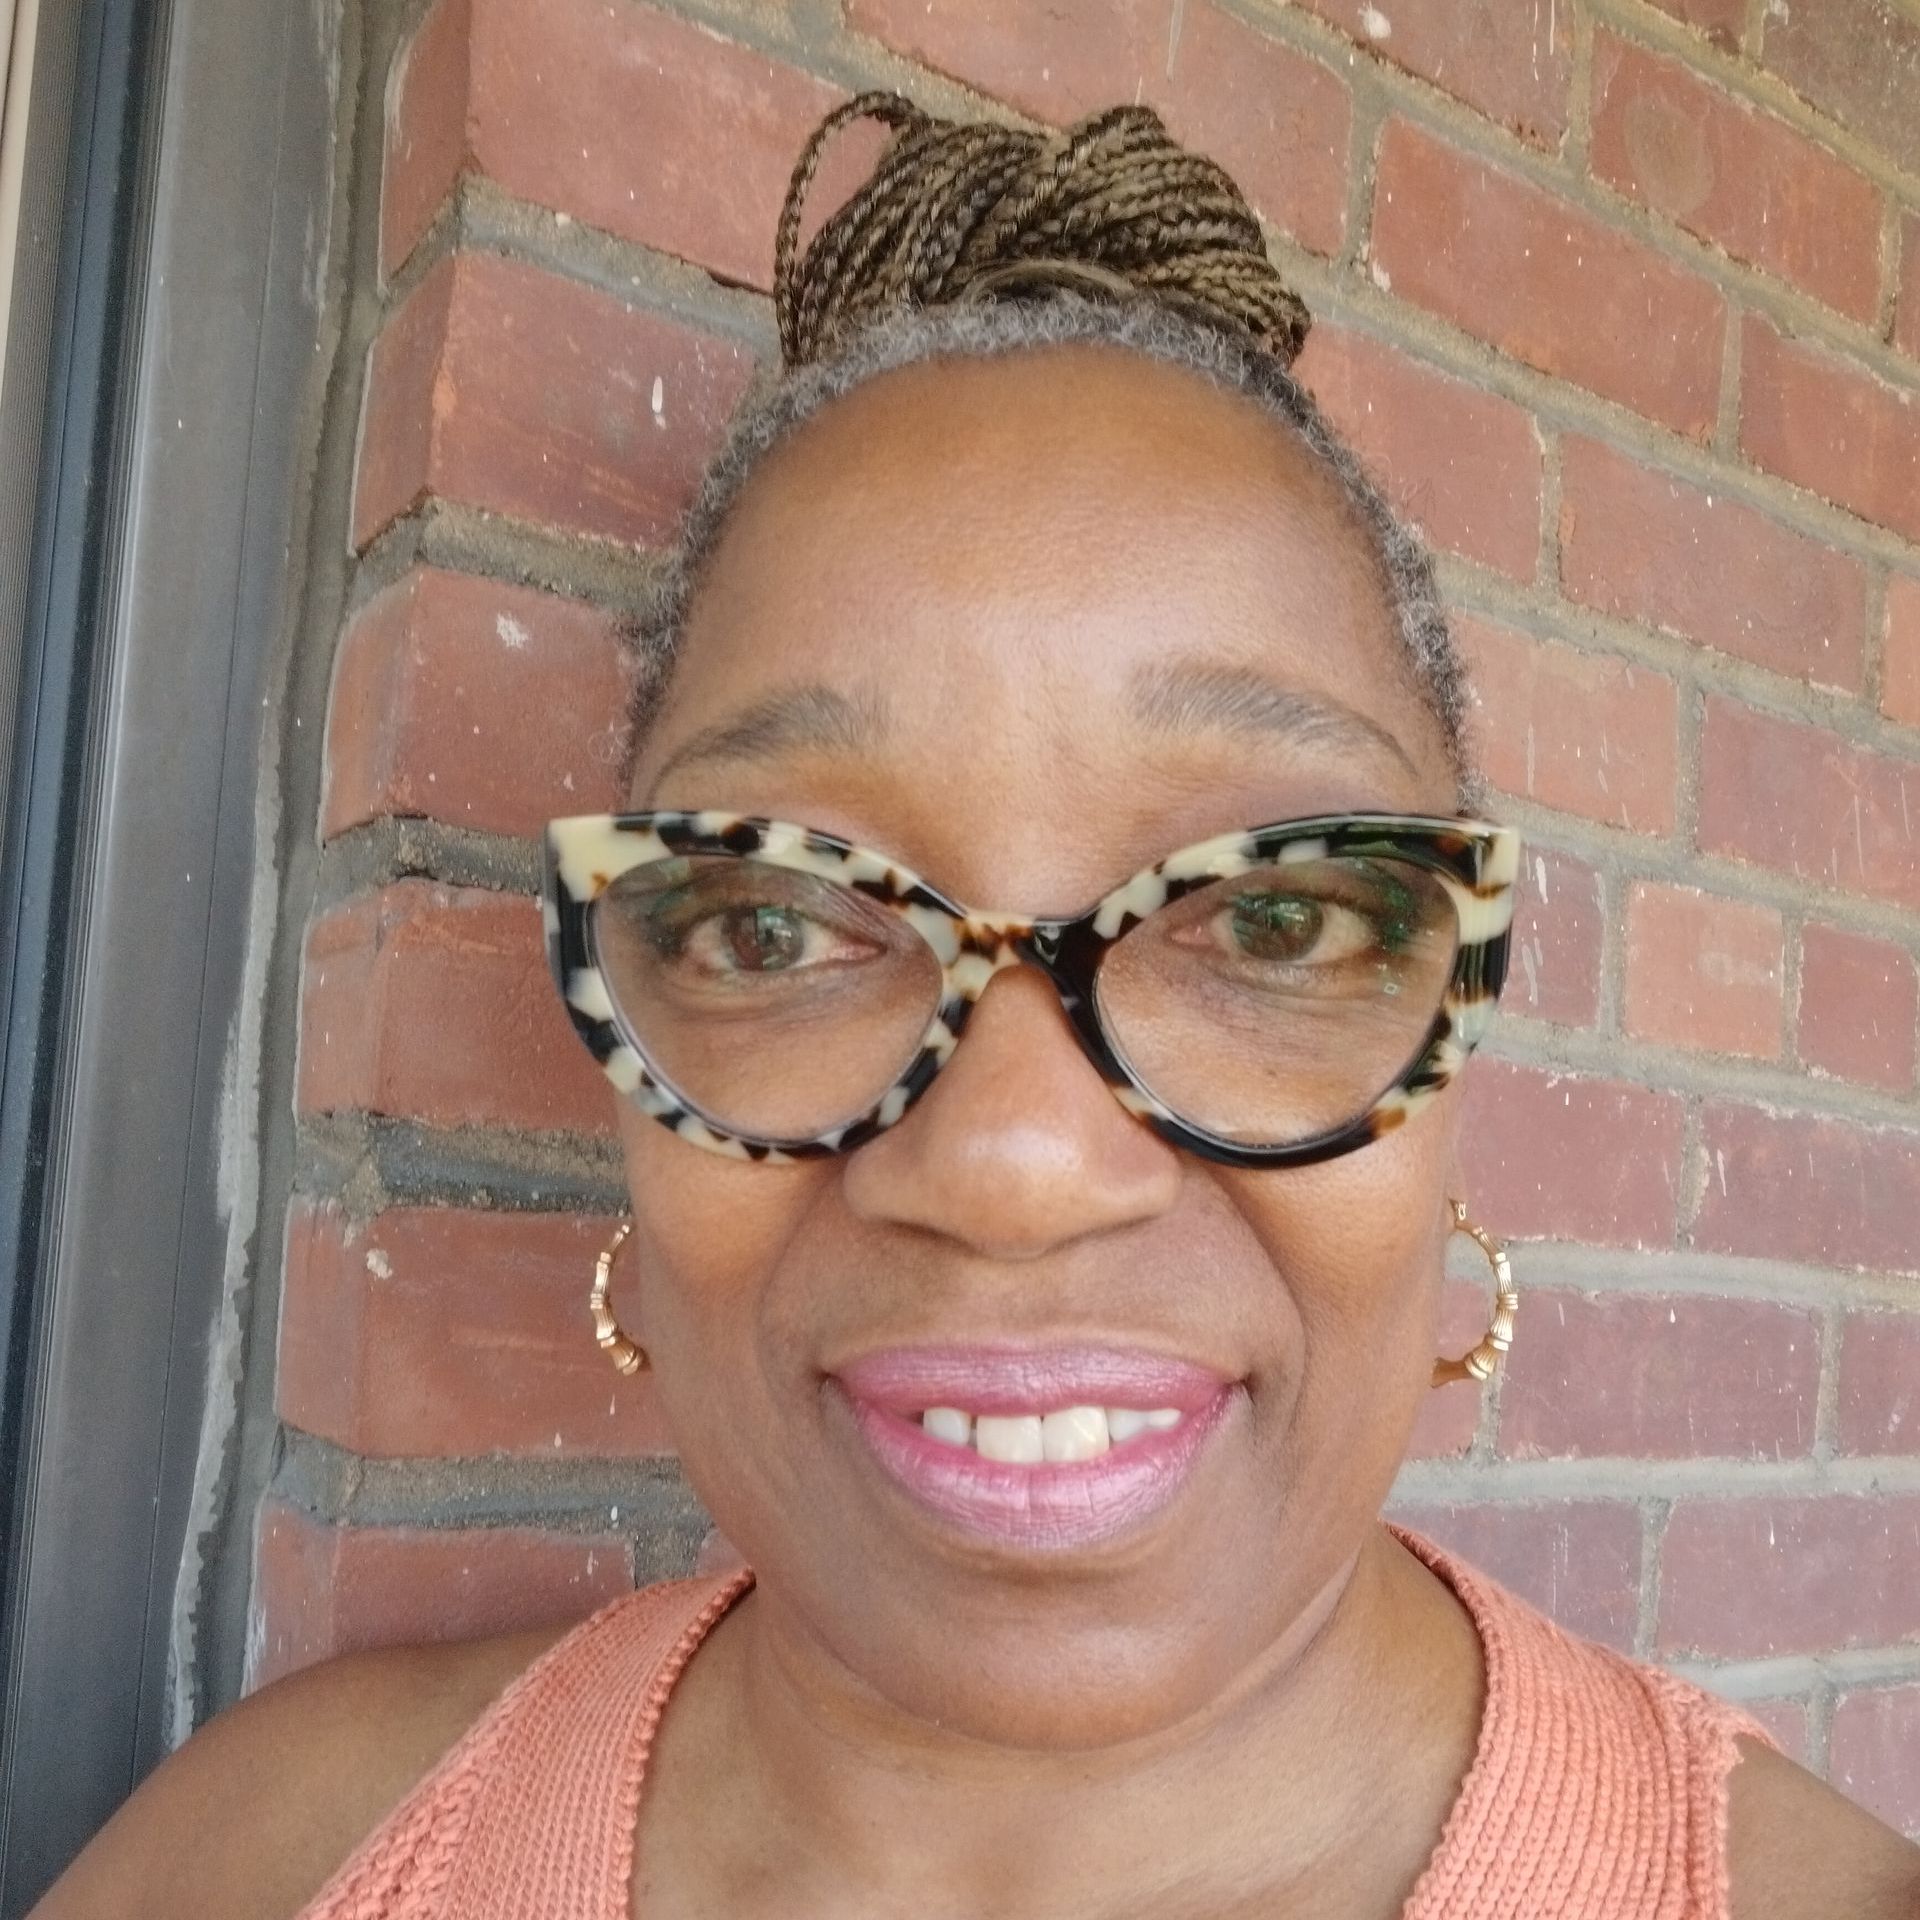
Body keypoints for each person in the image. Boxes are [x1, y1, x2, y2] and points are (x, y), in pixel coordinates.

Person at [36, 93, 1920, 1920]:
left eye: (1270, 921)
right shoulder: (265, 1858)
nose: (1014, 1165)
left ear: (1457, 1032)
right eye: (776, 926)